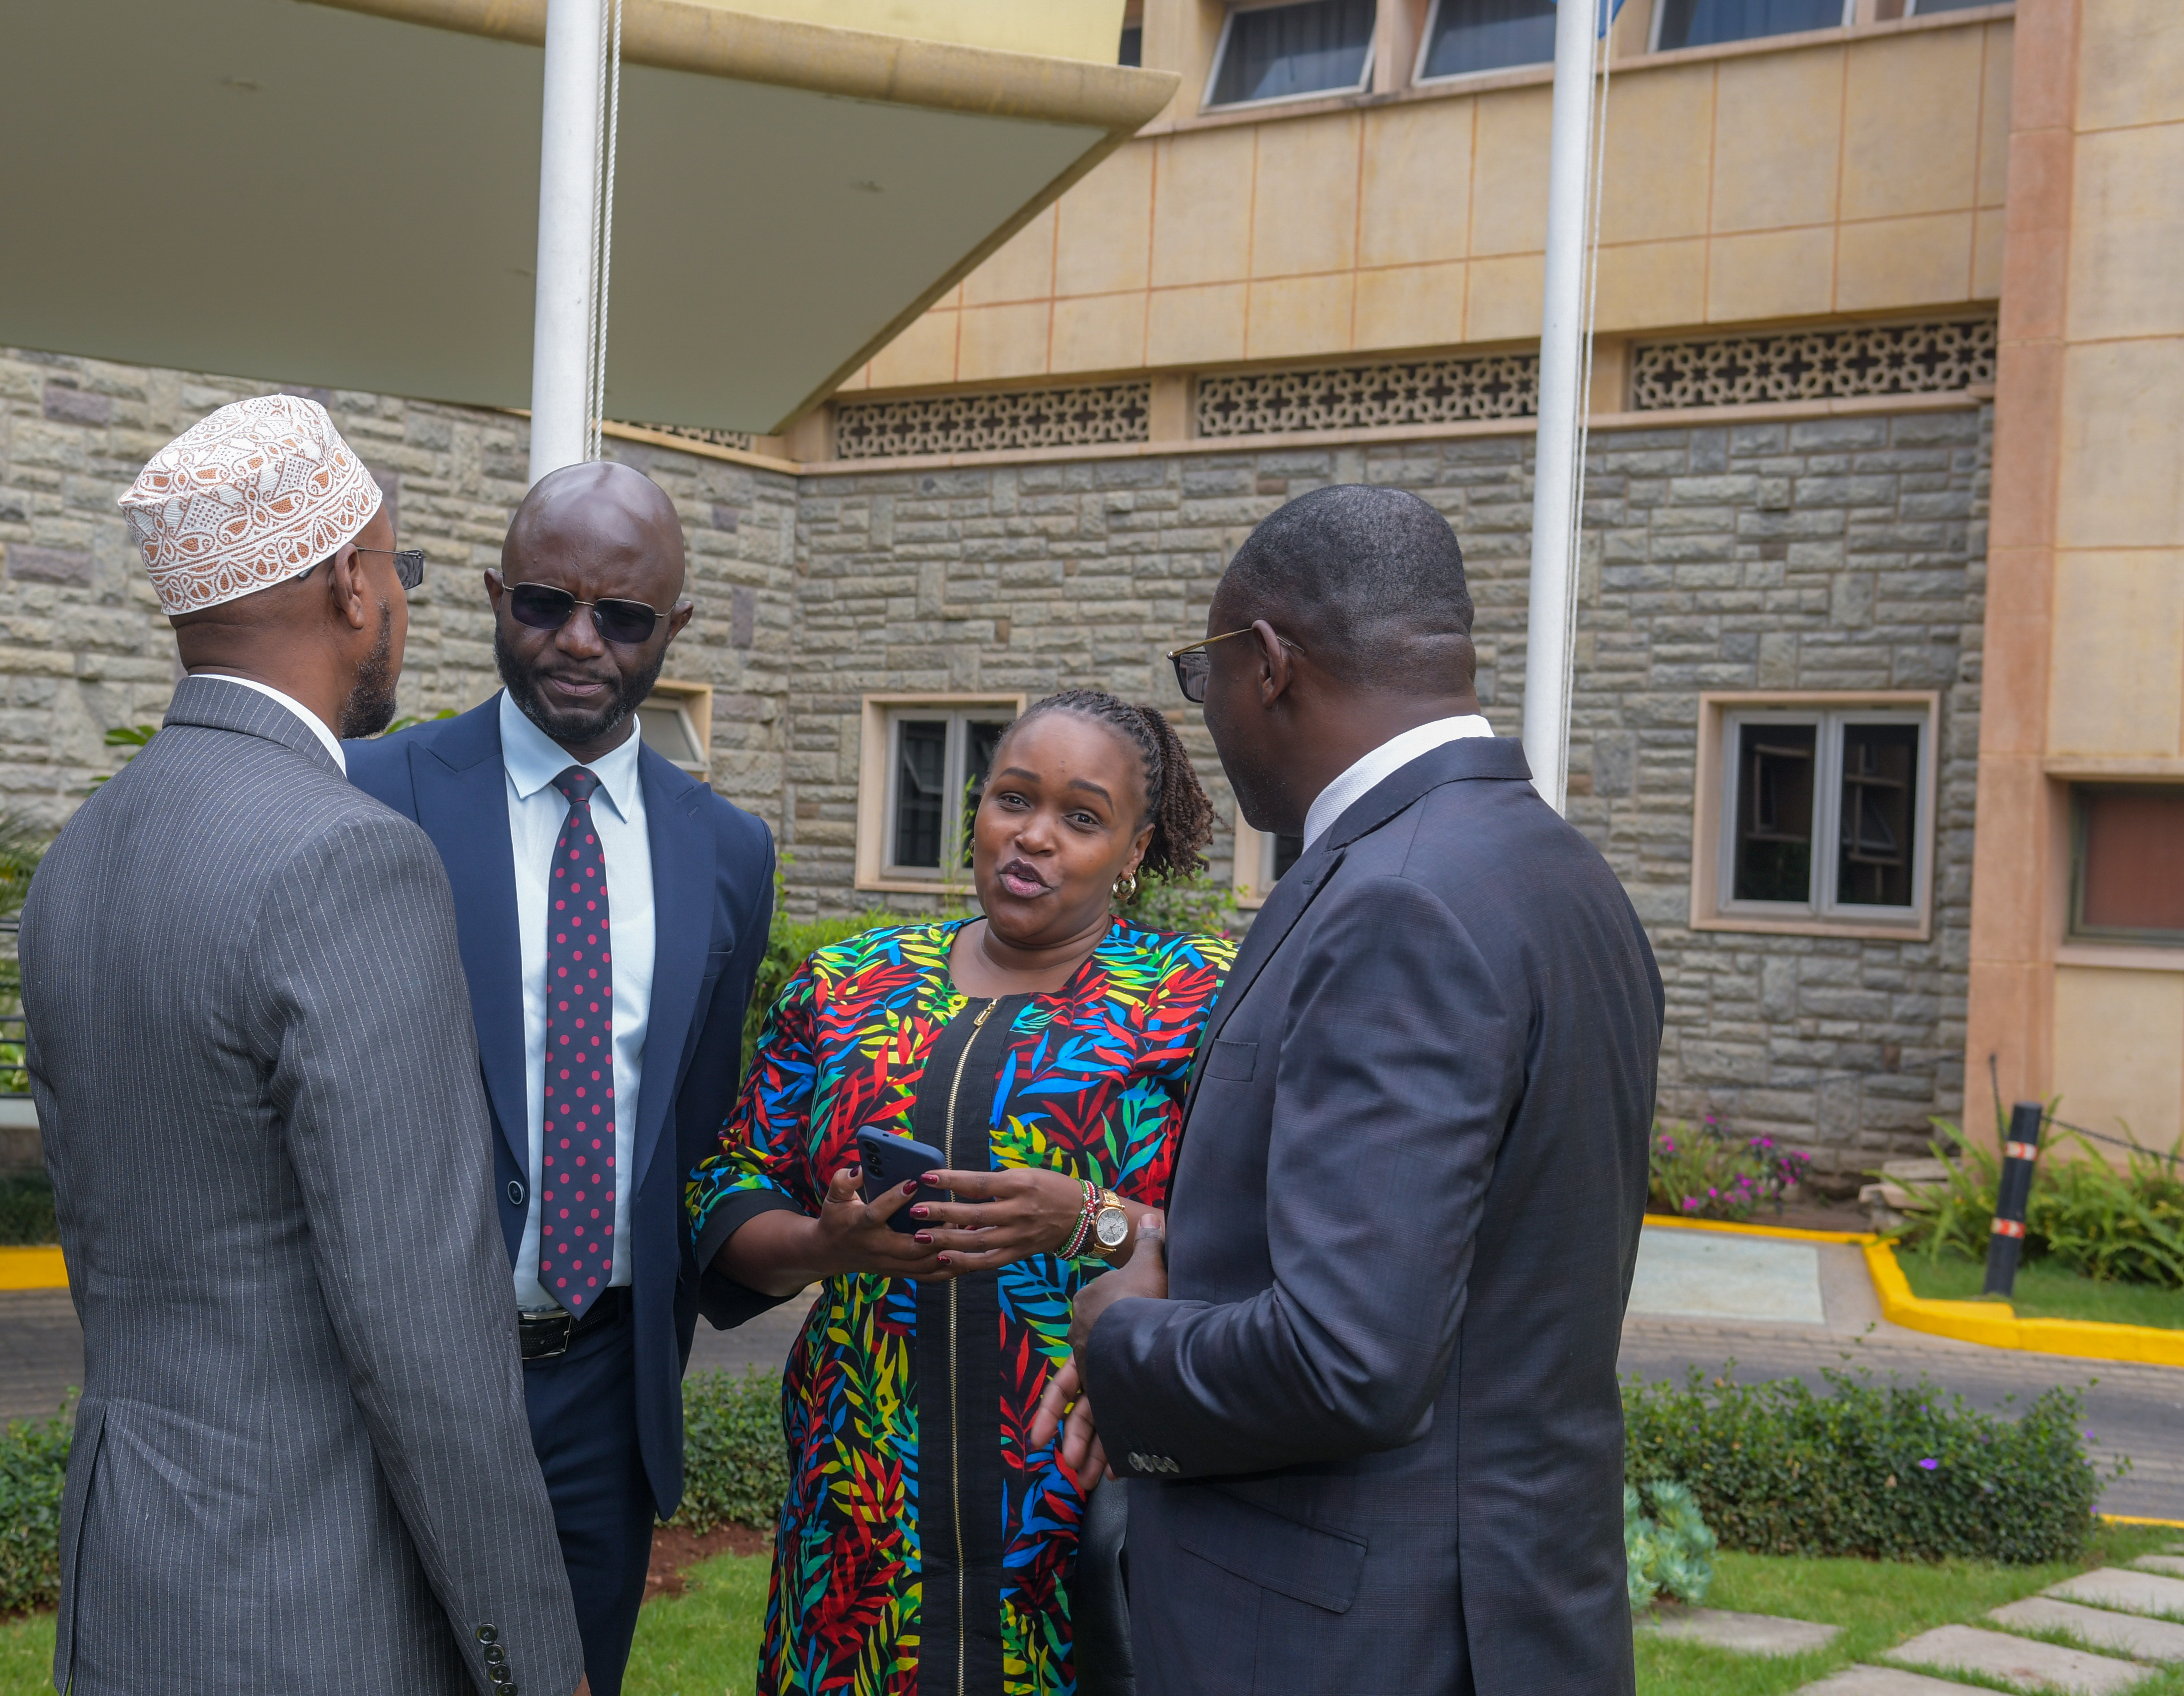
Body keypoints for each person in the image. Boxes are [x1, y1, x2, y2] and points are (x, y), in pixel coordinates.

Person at [1031, 486, 1665, 1695]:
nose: (1208, 709)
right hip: (1520, 1612)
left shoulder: (1397, 901)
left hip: (1356, 1638)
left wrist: (1124, 1339)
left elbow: (1348, 1357)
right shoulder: (1563, 871)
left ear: (1269, 663)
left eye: (1204, 673)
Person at [21, 396, 582, 1696]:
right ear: (349, 585)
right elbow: (427, 1336)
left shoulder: (79, 853)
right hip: (314, 1596)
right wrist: (534, 1659)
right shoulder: (351, 858)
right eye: (399, 567)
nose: (401, 603)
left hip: (126, 1575)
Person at [689, 689, 1234, 1696]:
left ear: (1135, 848)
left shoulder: (1199, 997)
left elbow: (1269, 1230)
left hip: (1085, 1507)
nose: (1034, 835)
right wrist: (822, 1243)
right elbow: (728, 1182)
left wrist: (1090, 1221)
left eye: (1081, 816)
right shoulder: (850, 984)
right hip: (861, 1512)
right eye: (1012, 799)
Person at [345, 460, 777, 1696]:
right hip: (414, 1382)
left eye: (623, 616)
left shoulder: (729, 852)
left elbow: (699, 1124)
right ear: (495, 596)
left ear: (673, 628)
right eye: (545, 603)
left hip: (605, 1393)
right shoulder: (374, 794)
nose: (580, 642)